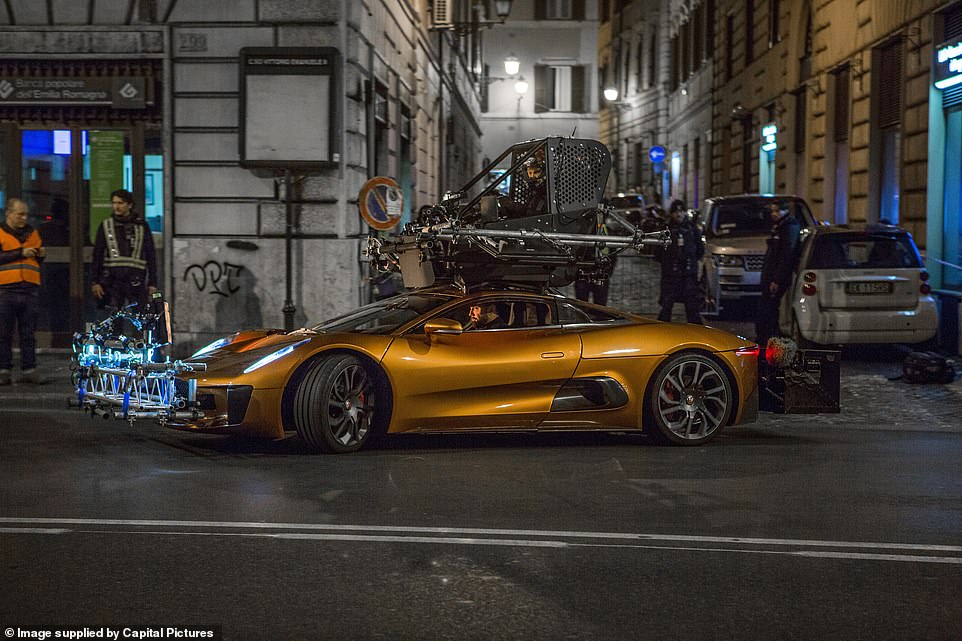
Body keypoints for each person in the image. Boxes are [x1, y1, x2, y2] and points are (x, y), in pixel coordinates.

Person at [0, 198, 46, 385]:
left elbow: (34, 259)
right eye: (20, 214)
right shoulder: (1, 233)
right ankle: (4, 370)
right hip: (5, 291)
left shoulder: (32, 233)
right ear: (8, 214)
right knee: (4, 333)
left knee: (28, 333)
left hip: (29, 290)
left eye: (25, 214)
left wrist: (41, 255)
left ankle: (29, 369)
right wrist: (20, 253)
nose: (24, 218)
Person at [90, 189, 158, 314]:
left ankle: (138, 334)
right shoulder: (106, 225)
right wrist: (95, 281)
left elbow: (150, 255)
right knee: (114, 319)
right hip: (113, 280)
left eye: (120, 203)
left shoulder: (142, 226)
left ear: (129, 205)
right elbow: (97, 255)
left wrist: (152, 283)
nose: (116, 206)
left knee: (139, 318)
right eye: (114, 203)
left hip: (136, 279)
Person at [756, 201, 801, 348]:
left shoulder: (789, 227)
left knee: (769, 308)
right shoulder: (780, 226)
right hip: (771, 275)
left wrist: (777, 279)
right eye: (772, 211)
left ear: (785, 211)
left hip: (776, 277)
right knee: (766, 307)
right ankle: (766, 338)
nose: (773, 214)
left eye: (777, 211)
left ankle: (769, 339)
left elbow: (786, 256)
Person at [655, 199, 704, 323]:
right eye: (676, 212)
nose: (679, 214)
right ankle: (663, 335)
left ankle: (696, 334)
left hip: (688, 275)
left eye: (681, 211)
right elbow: (657, 252)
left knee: (692, 308)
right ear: (671, 213)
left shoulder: (692, 229)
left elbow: (699, 250)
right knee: (666, 307)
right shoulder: (665, 230)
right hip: (670, 275)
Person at [500, 152, 548, 217]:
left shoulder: (547, 193)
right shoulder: (534, 193)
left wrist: (513, 207)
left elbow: (534, 215)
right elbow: (527, 210)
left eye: (536, 172)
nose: (532, 176)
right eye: (530, 173)